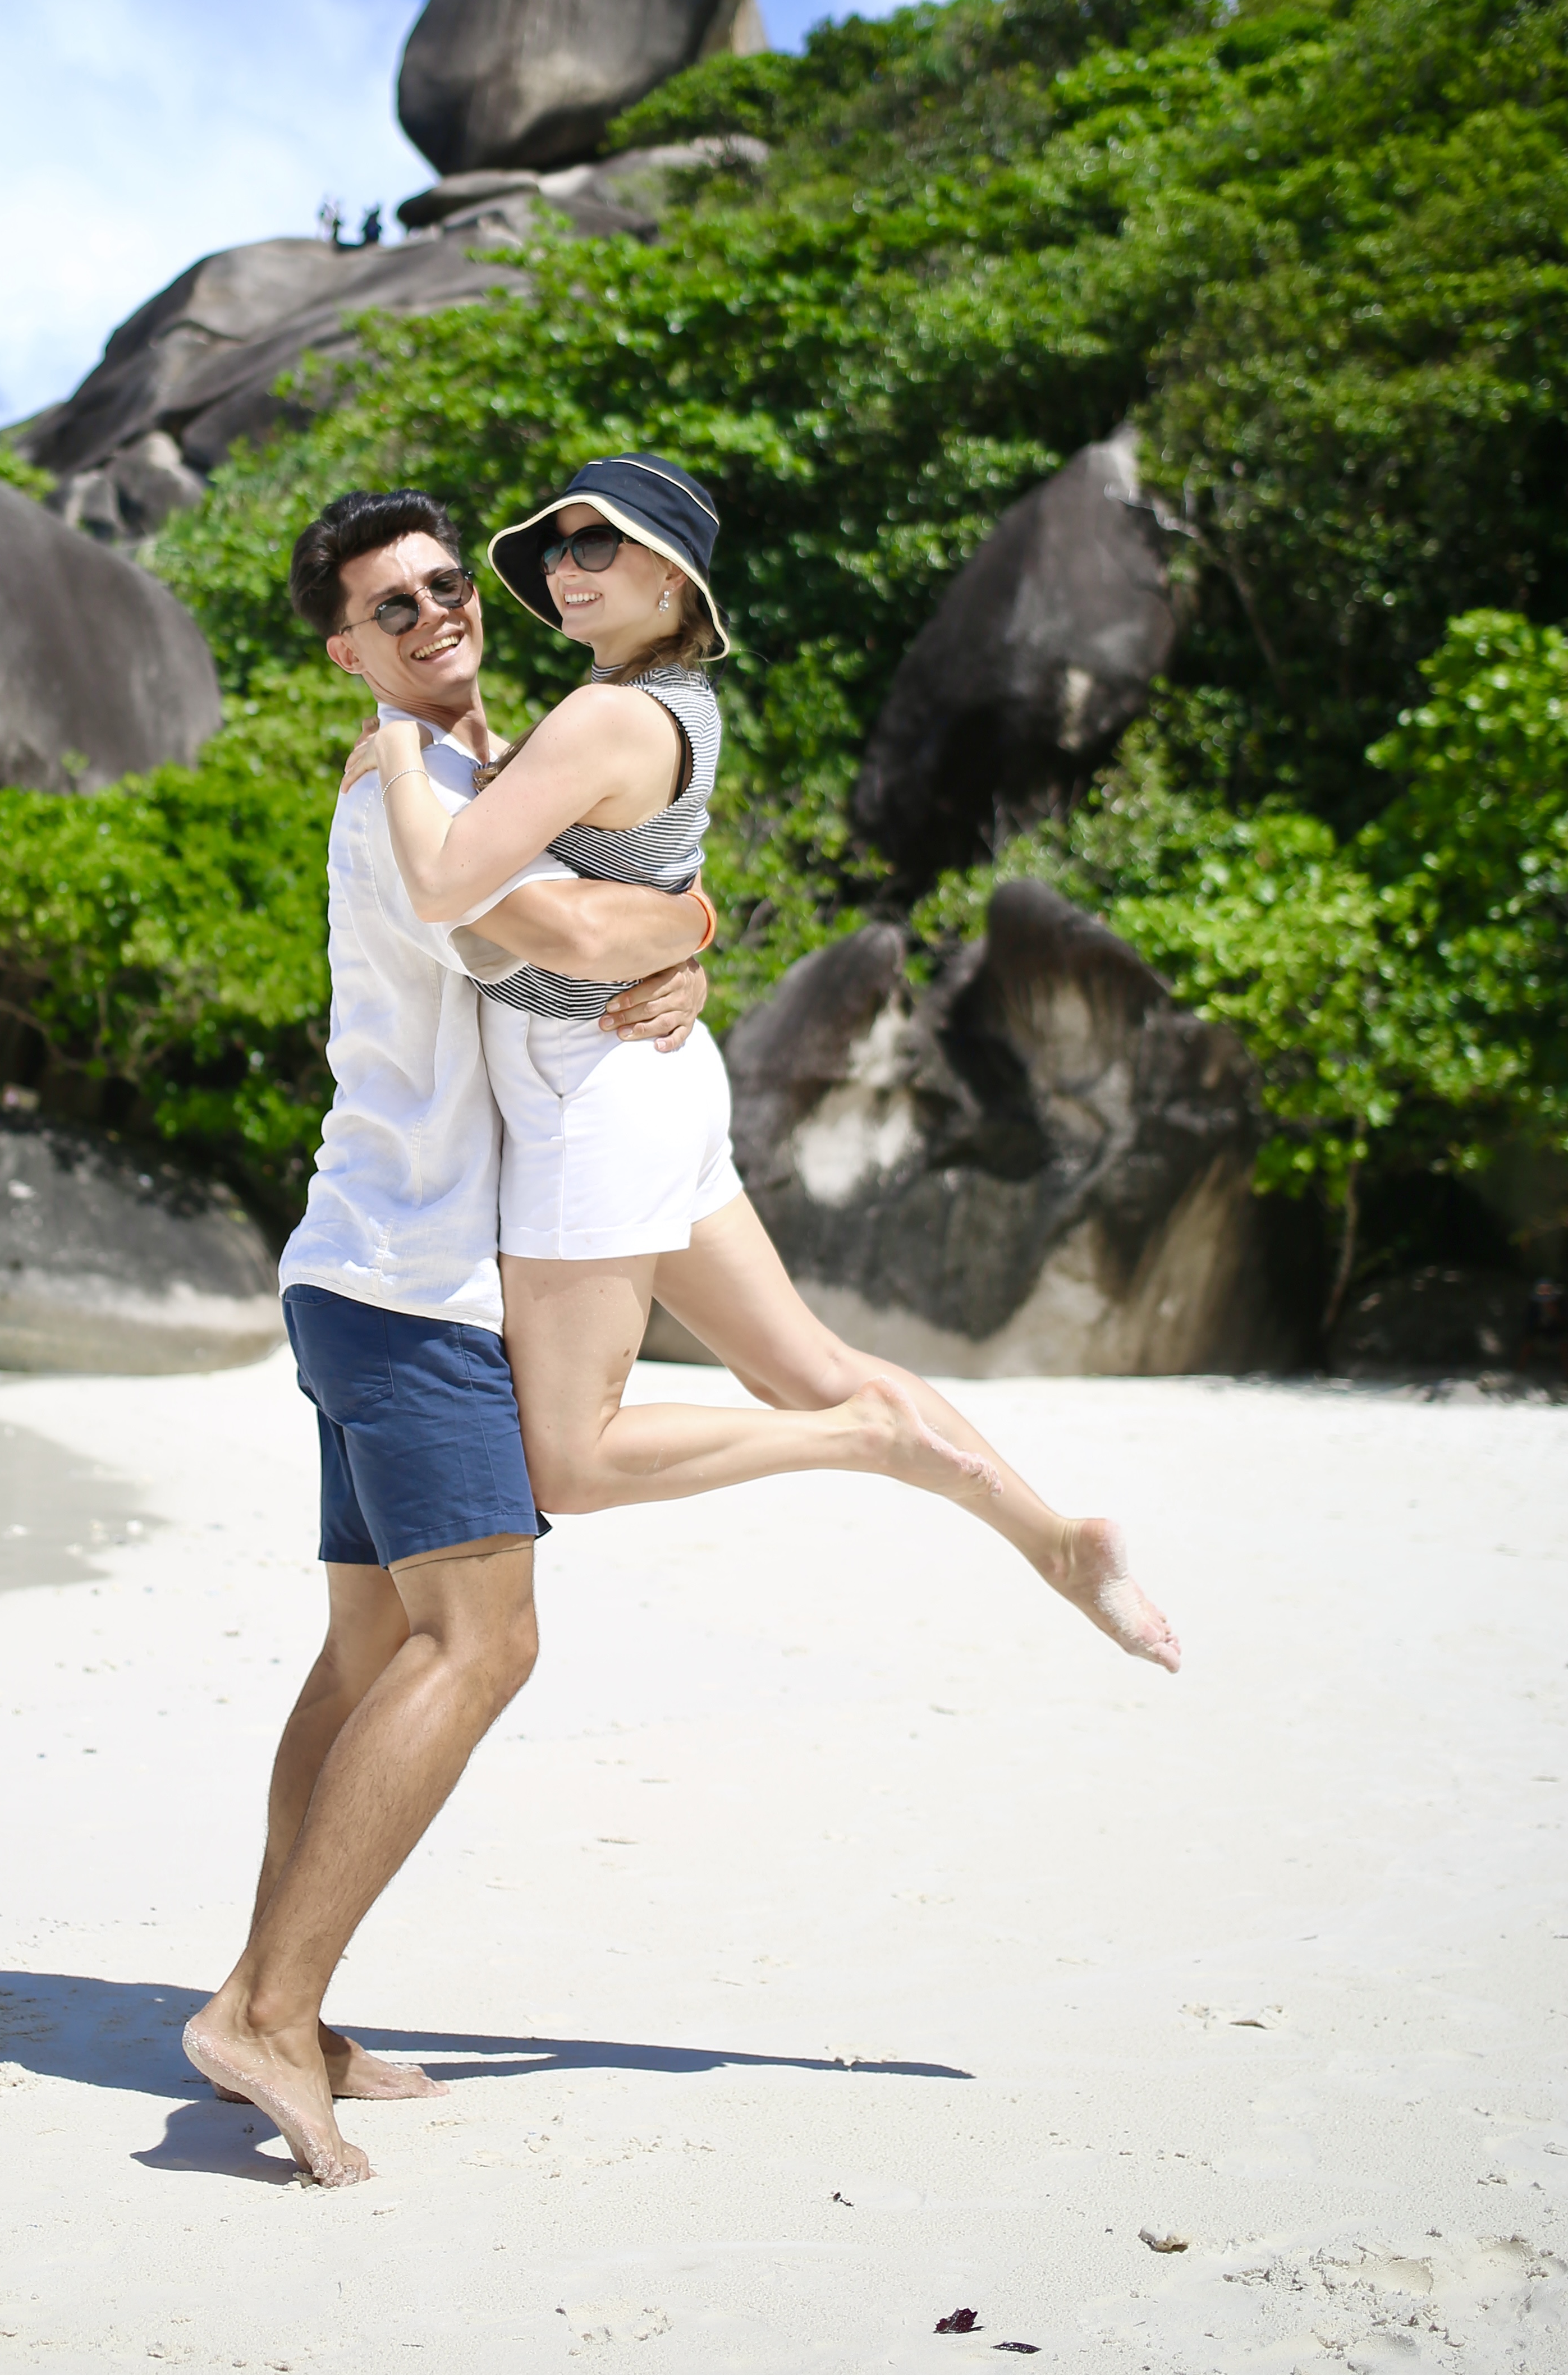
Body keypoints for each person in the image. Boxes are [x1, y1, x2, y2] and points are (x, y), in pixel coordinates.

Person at [359, 449, 1181, 1671]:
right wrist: (686, 938)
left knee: (569, 1461)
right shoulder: (680, 707)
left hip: (589, 1089)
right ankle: (1056, 1543)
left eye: (600, 546)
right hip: (651, 1076)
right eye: (556, 548)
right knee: (812, 1362)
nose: (568, 570)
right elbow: (635, 880)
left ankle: (857, 1444)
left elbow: (444, 885)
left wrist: (389, 750)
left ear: (676, 584)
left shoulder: (602, 715)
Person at [183, 489, 716, 2188]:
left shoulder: (477, 779)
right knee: (484, 1648)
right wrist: (699, 929)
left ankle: (268, 1996)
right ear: (347, 653)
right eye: (387, 609)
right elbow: (564, 937)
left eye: (438, 586)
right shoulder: (404, 798)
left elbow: (577, 951)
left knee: (365, 1664)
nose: (433, 615)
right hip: (414, 1295)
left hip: (364, 1272)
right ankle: (272, 2012)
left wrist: (681, 960)